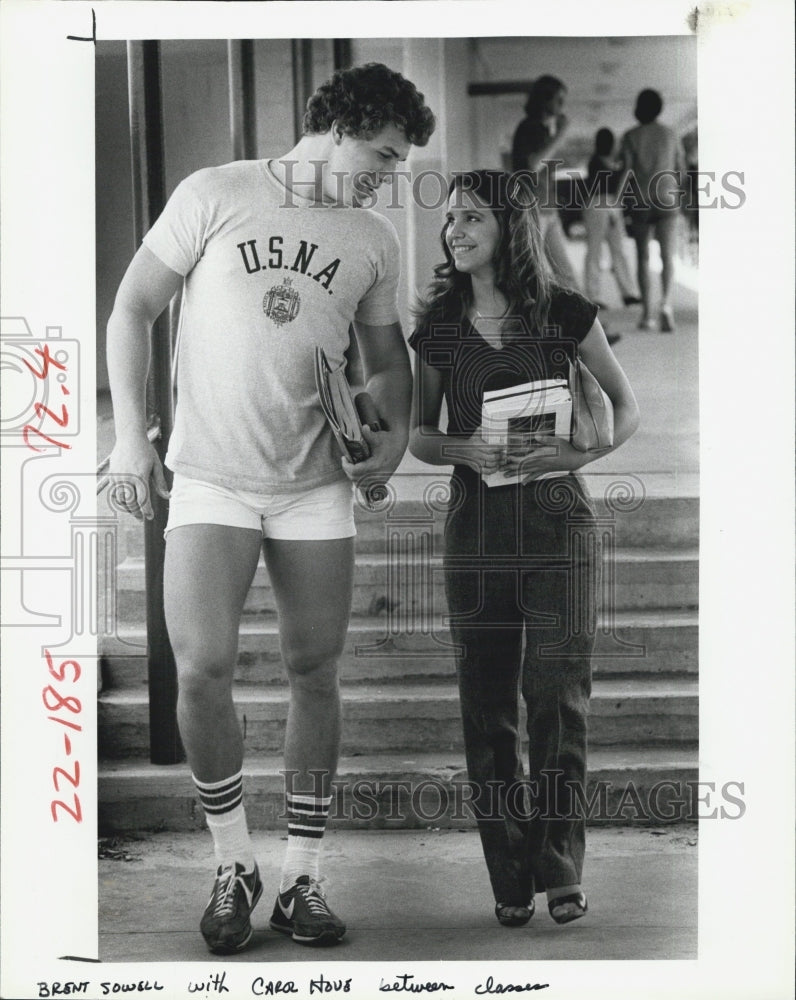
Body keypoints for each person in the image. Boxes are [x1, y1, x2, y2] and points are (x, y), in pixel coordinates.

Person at [107, 62, 435, 954]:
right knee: (201, 667)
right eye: (382, 152)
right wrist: (130, 437)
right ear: (343, 124)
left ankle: (301, 880)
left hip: (314, 483)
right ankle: (231, 862)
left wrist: (390, 443)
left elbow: (389, 367)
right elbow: (134, 307)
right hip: (212, 474)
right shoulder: (216, 192)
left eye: (400, 161)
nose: (389, 171)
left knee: (312, 671)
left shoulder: (372, 236)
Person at [408, 170, 639, 928]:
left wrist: (579, 457)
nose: (455, 231)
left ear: (511, 227)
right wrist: (462, 447)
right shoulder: (440, 322)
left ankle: (560, 866)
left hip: (558, 530)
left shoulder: (565, 312)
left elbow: (624, 407)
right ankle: (509, 874)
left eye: (472, 218)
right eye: (451, 221)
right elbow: (420, 436)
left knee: (557, 696)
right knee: (487, 709)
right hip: (475, 535)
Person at [511, 76, 620, 346]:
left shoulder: (543, 129)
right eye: (558, 99)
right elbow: (533, 164)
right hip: (531, 209)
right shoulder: (529, 128)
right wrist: (560, 135)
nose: (562, 105)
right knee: (530, 274)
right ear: (544, 99)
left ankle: (592, 330)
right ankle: (526, 334)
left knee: (566, 274)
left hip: (548, 210)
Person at [616, 88, 684, 331]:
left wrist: (617, 199)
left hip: (641, 200)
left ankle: (647, 315)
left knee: (643, 256)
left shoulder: (631, 136)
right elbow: (681, 170)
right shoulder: (670, 134)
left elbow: (627, 171)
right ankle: (666, 304)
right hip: (667, 198)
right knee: (667, 256)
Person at [582, 127, 641, 309]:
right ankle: (594, 295)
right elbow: (619, 179)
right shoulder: (597, 161)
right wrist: (627, 164)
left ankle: (628, 292)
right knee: (595, 250)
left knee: (618, 249)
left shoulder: (611, 161)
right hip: (599, 203)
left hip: (610, 204)